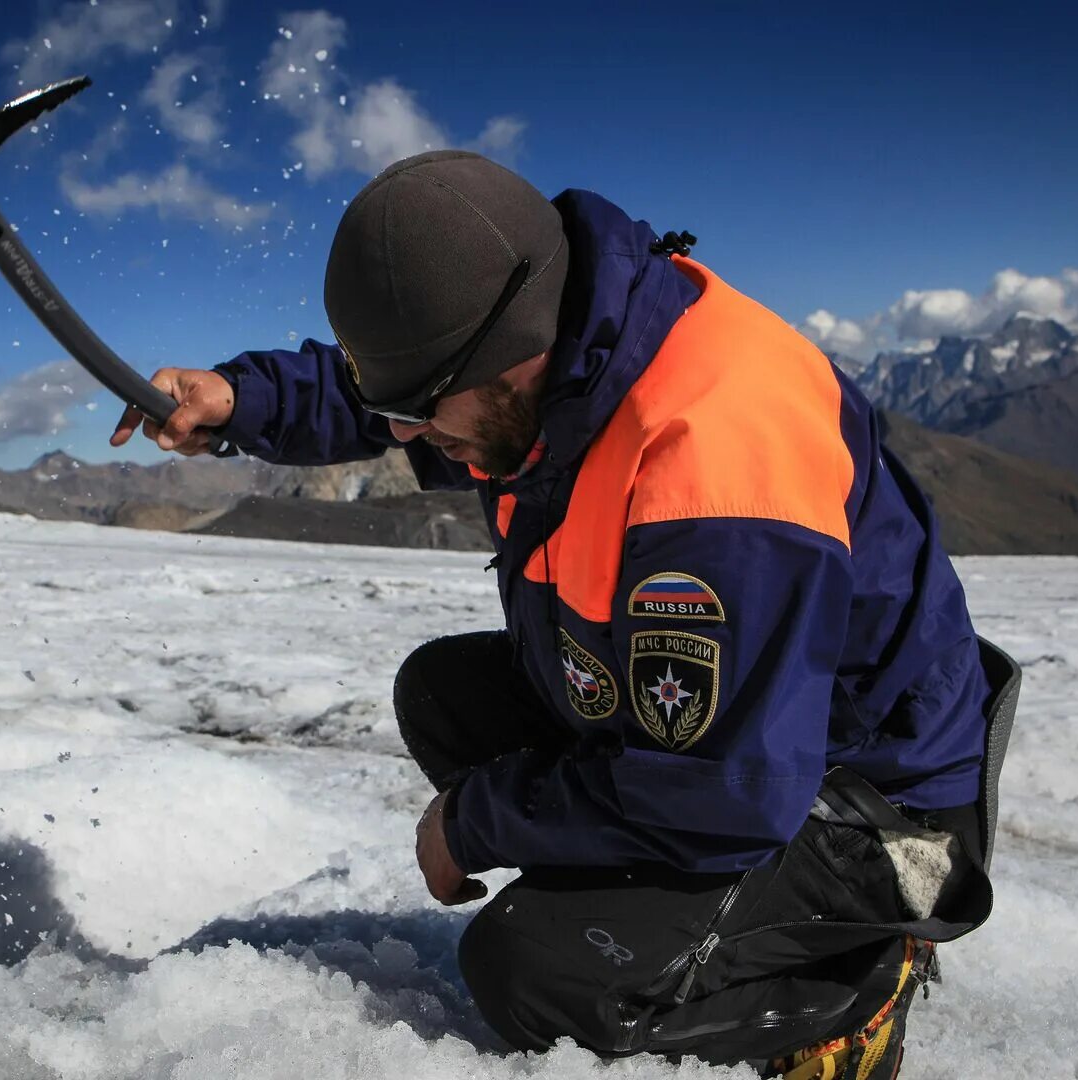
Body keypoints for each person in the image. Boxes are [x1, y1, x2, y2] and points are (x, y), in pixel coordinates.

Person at [111, 150, 1002, 1077]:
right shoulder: (551, 356)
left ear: (510, 358)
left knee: (530, 973)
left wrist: (477, 822)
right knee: (447, 697)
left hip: (859, 798)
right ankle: (655, 916)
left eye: (419, 409)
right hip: (750, 740)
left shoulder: (712, 466)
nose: (405, 438)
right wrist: (242, 400)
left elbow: (725, 789)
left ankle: (847, 988)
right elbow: (385, 396)